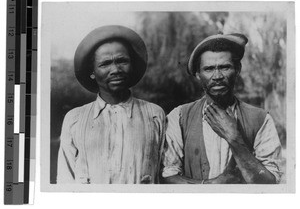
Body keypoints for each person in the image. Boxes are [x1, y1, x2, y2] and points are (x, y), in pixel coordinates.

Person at [162, 33, 282, 184]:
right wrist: (212, 185)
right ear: (198, 74)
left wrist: (234, 139)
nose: (217, 76)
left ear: (237, 69)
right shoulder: (179, 116)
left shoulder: (261, 119)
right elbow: (168, 176)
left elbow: (270, 184)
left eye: (225, 67)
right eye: (209, 69)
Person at [57, 25, 165, 184]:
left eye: (122, 61)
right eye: (105, 63)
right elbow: (65, 179)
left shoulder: (154, 114)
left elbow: (165, 173)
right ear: (92, 72)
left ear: (132, 65)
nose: (115, 69)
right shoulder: (74, 119)